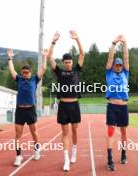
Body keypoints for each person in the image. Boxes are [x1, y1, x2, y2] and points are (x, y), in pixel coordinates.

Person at [47, 30, 84, 172]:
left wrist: (77, 38)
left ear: (72, 62)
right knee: (65, 132)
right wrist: (53, 41)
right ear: (63, 63)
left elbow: (82, 54)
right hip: (63, 105)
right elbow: (50, 57)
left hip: (74, 104)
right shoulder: (59, 72)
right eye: (66, 62)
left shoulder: (76, 70)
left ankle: (74, 152)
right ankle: (66, 159)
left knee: (75, 131)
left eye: (70, 62)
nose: (68, 64)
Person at [7, 48, 48, 167]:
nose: (24, 74)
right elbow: (11, 69)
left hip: (30, 110)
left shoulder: (35, 79)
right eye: (23, 72)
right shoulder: (18, 79)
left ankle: (36, 150)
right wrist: (10, 58)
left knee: (34, 132)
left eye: (26, 72)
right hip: (20, 110)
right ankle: (18, 156)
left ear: (30, 72)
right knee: (18, 134)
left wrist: (45, 56)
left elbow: (44, 69)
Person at [105, 35, 129, 171]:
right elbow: (109, 59)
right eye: (117, 65)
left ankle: (124, 154)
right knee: (110, 132)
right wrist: (114, 44)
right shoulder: (109, 73)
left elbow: (126, 58)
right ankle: (109, 159)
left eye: (120, 65)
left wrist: (124, 43)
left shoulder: (126, 73)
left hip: (123, 107)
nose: (119, 66)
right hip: (112, 106)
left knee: (124, 132)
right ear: (114, 65)